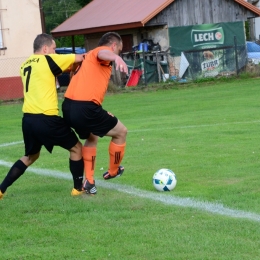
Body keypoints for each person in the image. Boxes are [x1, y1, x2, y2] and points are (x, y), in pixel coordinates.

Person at [0, 33, 85, 200]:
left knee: (31, 156)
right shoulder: (48, 59)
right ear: (45, 49)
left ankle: (1, 189)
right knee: (76, 148)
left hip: (28, 120)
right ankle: (77, 189)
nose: (55, 52)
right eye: (54, 49)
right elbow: (81, 57)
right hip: (47, 118)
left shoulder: (25, 64)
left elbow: (47, 75)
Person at [62, 32, 128, 195]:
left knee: (92, 136)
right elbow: (102, 53)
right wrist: (115, 57)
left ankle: (89, 182)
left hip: (68, 107)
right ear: (113, 46)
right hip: (85, 107)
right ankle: (113, 171)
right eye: (118, 49)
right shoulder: (101, 52)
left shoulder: (86, 58)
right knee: (121, 132)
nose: (118, 53)